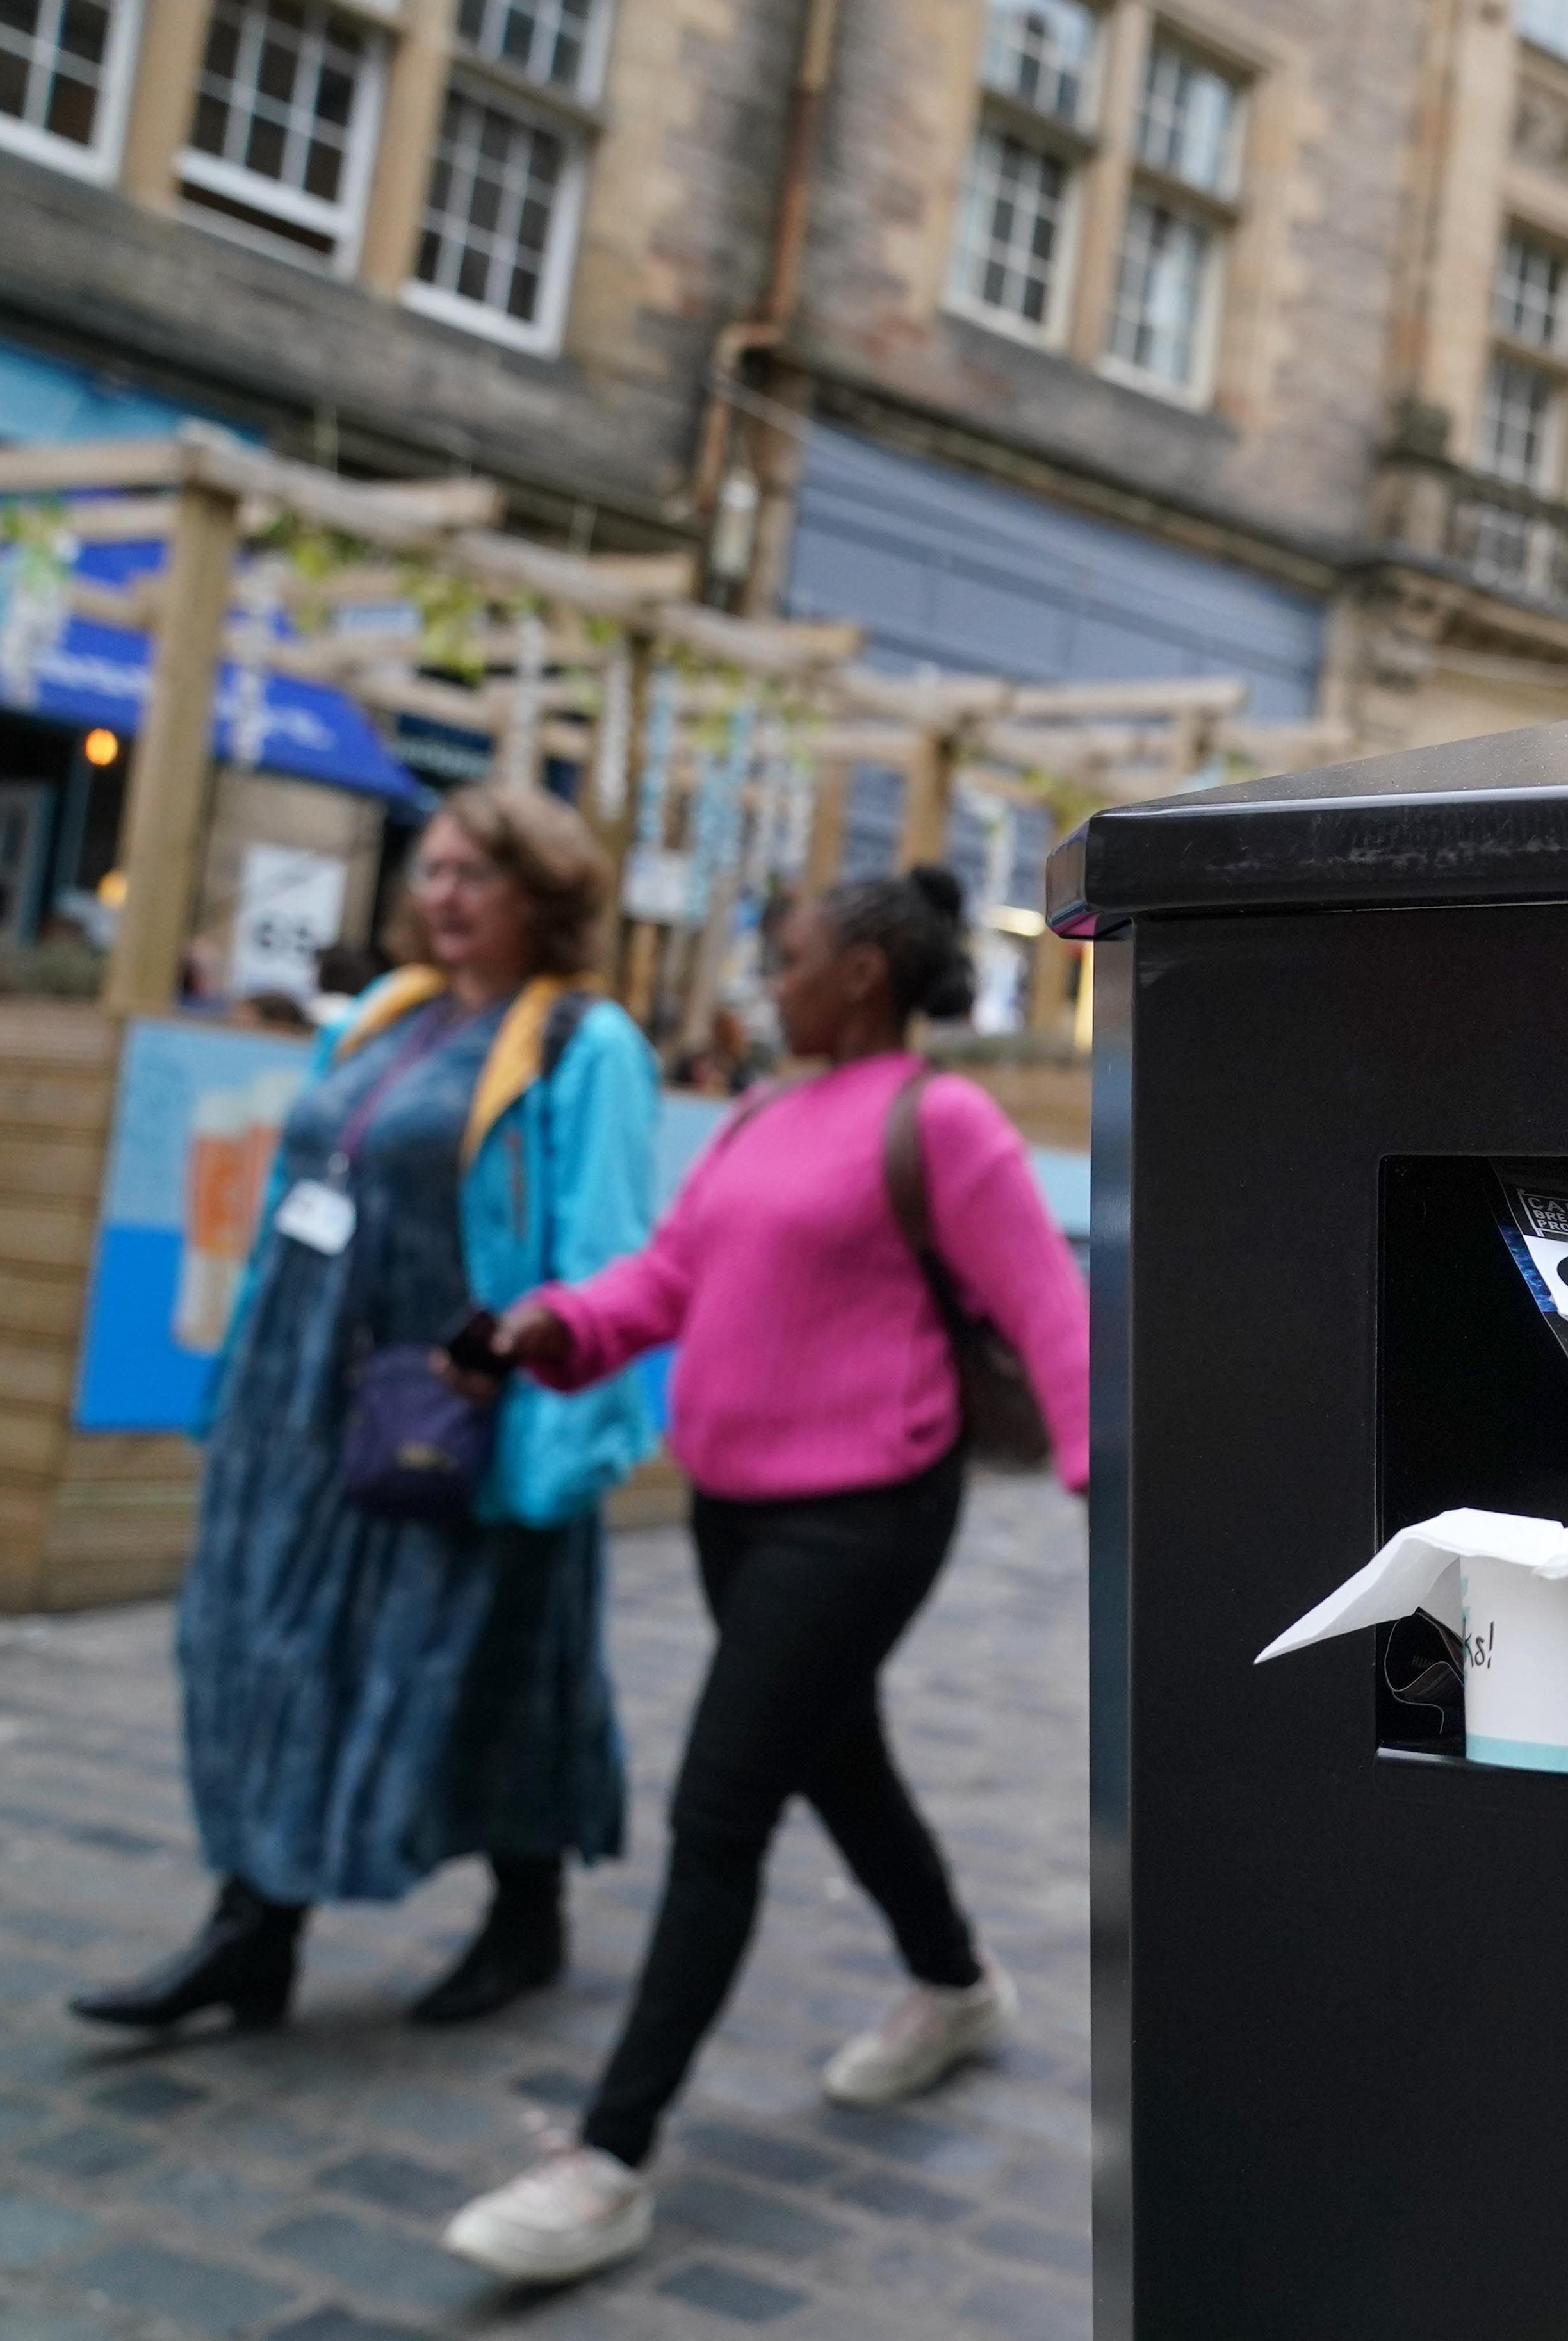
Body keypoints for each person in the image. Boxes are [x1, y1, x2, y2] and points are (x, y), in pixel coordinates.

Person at [441, 866, 1088, 2286]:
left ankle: (608, 2157)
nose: (764, 980)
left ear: (861, 970)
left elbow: (1051, 1306)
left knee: (723, 1798)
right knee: (838, 1761)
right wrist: (549, 1324)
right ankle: (957, 1981)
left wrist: (1113, 1487)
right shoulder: (763, 1112)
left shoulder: (947, 1121)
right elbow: (666, 1281)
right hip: (736, 1511)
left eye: (783, 955)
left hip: (864, 1513)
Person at [70, 789, 660, 2038]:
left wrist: (550, 1420)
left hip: (451, 1405)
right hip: (304, 1394)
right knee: (276, 1638)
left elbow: (605, 1241)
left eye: (475, 875)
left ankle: (525, 1911)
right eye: (433, 870)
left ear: (539, 895)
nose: (443, 894)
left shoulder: (582, 1041)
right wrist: (242, 1381)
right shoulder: (389, 1011)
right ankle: (253, 1926)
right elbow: (298, 1189)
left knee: (479, 1654)